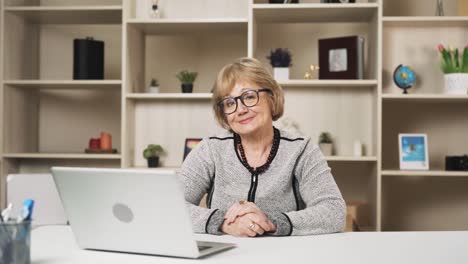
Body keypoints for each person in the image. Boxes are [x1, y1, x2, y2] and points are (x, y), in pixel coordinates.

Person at [178, 57, 346, 237]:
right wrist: (223, 222)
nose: (240, 109)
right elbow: (169, 206)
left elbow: (334, 211)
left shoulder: (301, 149)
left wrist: (270, 221)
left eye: (249, 96)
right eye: (229, 103)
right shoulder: (211, 149)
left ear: (272, 98)